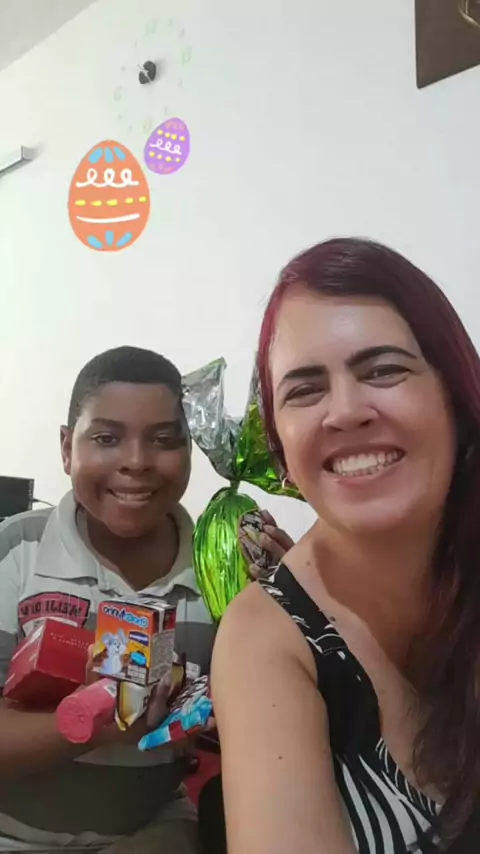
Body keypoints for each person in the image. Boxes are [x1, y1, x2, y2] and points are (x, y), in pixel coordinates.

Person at [212, 239, 480, 853]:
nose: (346, 412)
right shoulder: (268, 638)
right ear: (281, 448)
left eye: (383, 370)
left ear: (455, 397)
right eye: (304, 390)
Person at [0, 346, 215, 854]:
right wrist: (96, 724)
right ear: (66, 448)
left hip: (150, 830)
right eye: (106, 438)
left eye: (163, 440)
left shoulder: (219, 570)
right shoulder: (15, 550)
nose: (136, 462)